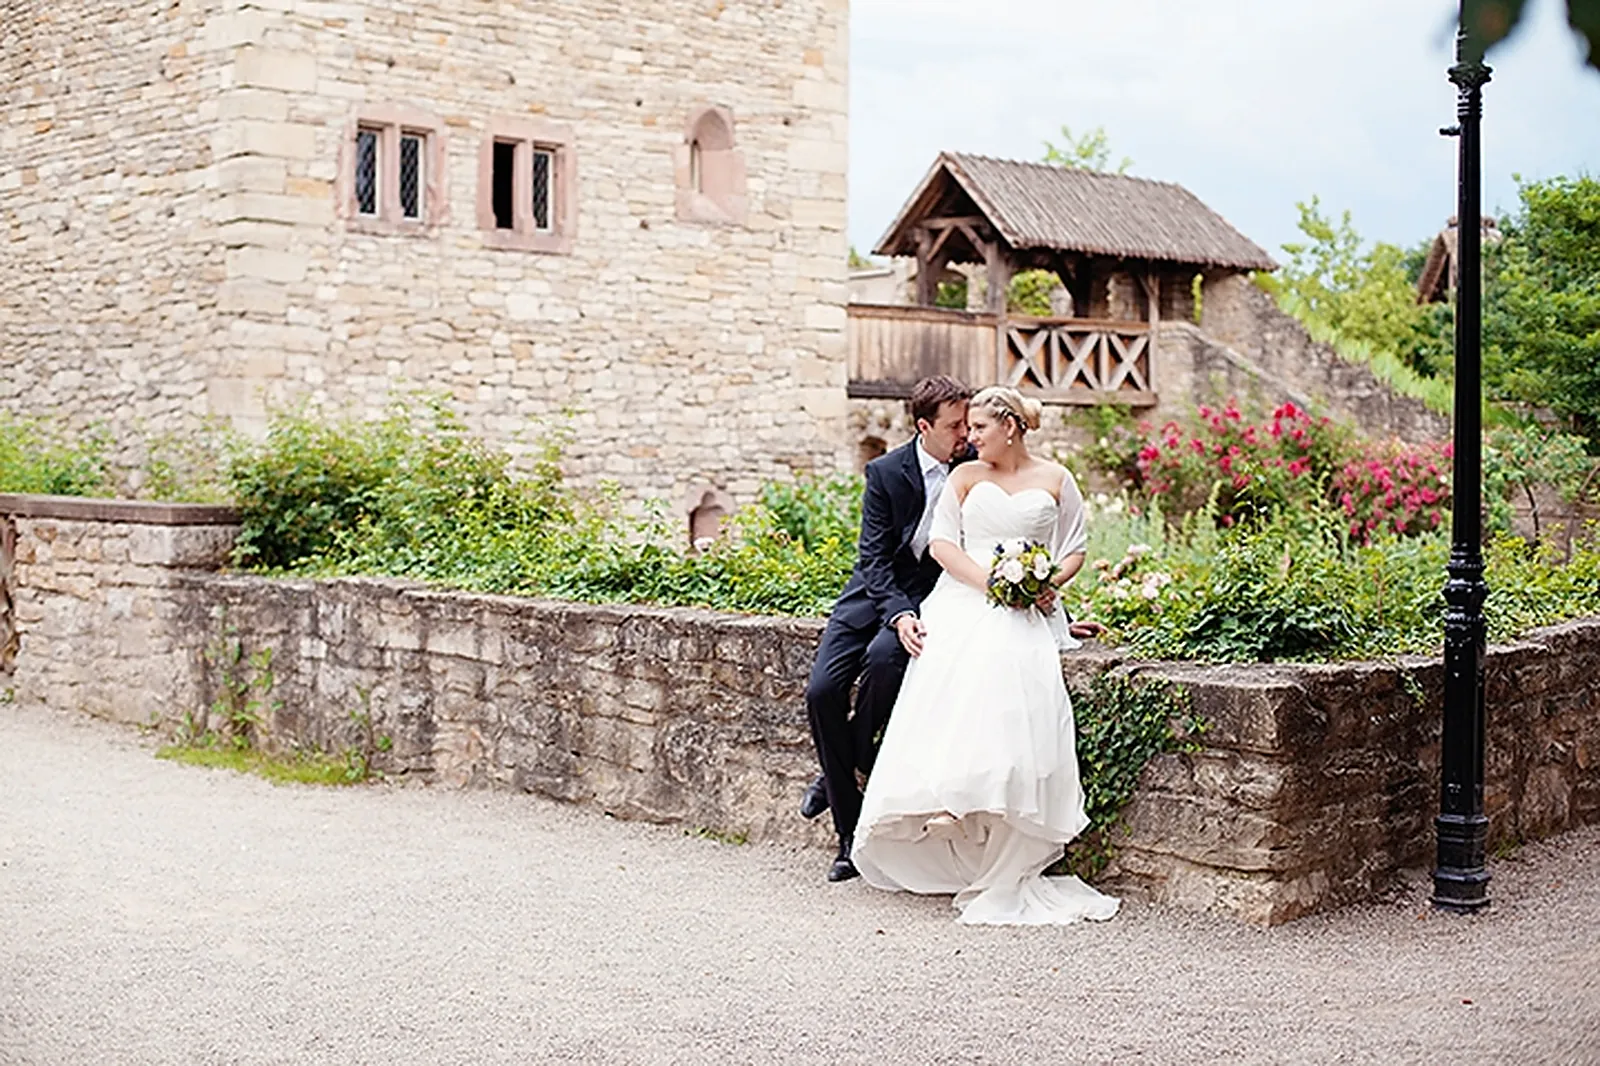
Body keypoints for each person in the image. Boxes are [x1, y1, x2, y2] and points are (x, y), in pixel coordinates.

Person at [850, 385, 1120, 925]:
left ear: (1010, 427)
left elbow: (1074, 548)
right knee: (960, 668)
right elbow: (943, 545)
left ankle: (997, 812)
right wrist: (994, 586)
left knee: (1017, 675)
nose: (969, 439)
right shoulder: (965, 477)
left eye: (978, 429)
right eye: (965, 429)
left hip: (1030, 607)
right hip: (966, 595)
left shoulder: (1056, 479)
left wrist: (1045, 586)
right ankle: (950, 806)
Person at [802, 375, 973, 883]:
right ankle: (845, 778)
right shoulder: (885, 471)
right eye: (955, 425)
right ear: (925, 426)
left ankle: (846, 833)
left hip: (934, 596)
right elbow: (873, 559)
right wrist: (896, 613)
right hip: (871, 596)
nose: (965, 432)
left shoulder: (973, 468)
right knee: (822, 691)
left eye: (967, 422)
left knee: (884, 663)